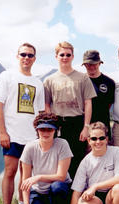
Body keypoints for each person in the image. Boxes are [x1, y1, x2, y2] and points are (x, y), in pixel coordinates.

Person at [0, 43, 45, 204]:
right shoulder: (7, 76)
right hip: (12, 135)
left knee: (26, 176)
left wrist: (40, 137)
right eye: (23, 54)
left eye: (30, 55)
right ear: (17, 56)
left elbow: (41, 112)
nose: (26, 58)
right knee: (10, 172)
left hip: (32, 138)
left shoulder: (38, 83)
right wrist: (2, 131)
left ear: (34, 58)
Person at [44, 41, 97, 178]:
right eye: (62, 54)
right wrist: (51, 125)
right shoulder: (49, 80)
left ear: (73, 56)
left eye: (68, 54)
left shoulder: (83, 78)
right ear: (56, 56)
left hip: (77, 123)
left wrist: (86, 127)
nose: (65, 57)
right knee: (55, 160)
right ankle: (57, 194)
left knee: (76, 160)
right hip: (57, 123)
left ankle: (75, 196)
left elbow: (88, 103)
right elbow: (47, 104)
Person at [17, 112, 73, 204]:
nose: (46, 133)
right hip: (39, 193)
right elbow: (25, 181)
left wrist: (39, 177)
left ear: (55, 130)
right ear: (37, 130)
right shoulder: (30, 147)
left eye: (50, 129)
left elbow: (61, 176)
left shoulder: (62, 144)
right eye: (42, 129)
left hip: (60, 190)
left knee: (57, 186)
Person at [82, 50, 115, 140]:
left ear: (100, 63)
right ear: (84, 65)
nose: (92, 67)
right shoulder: (80, 81)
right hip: (83, 127)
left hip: (103, 126)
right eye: (89, 64)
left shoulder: (109, 82)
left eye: (94, 64)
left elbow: (109, 104)